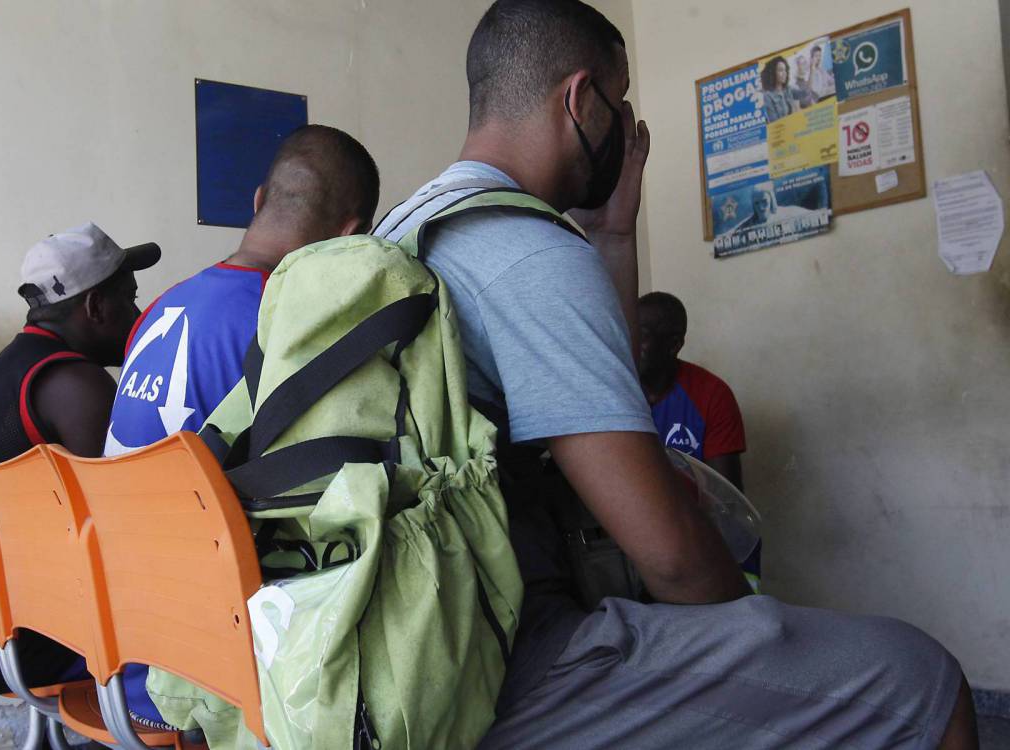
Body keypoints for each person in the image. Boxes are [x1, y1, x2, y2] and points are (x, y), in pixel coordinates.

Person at [374, 1, 977, 747]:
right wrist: (752, 638)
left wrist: (612, 232)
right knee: (924, 680)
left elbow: (594, 386)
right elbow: (672, 559)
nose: (624, 127)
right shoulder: (528, 252)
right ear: (580, 98)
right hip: (510, 668)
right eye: (619, 103)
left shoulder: (403, 234)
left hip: (394, 657)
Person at [104, 124, 380, 728]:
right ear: (351, 235)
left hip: (119, 651)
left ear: (257, 200)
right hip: (193, 682)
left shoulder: (161, 306)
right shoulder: (287, 323)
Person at [0, 222, 158, 695]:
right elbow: (130, 525)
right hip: (26, 643)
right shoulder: (74, 384)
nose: (137, 313)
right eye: (129, 298)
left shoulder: (2, 375)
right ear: (96, 306)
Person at [638, 291, 745, 491]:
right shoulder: (611, 390)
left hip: (687, 518)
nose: (629, 343)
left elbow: (726, 499)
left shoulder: (712, 395)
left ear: (674, 345)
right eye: (626, 331)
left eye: (641, 335)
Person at [761, 55, 799, 121]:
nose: (785, 73)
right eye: (781, 70)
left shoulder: (788, 89)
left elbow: (795, 111)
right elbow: (774, 123)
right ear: (773, 73)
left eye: (785, 70)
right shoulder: (767, 96)